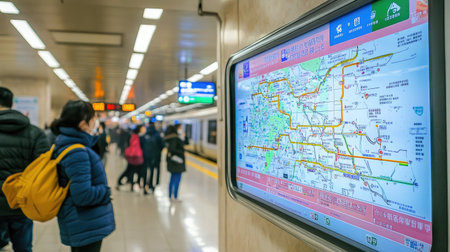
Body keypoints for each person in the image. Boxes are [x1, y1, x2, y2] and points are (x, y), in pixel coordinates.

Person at [51, 100, 115, 252]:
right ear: (82, 124)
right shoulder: (77, 152)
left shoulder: (70, 145)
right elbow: (82, 195)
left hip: (81, 222)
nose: (95, 121)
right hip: (85, 223)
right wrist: (105, 192)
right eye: (93, 118)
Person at [0, 87, 50, 252]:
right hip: (21, 203)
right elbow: (43, 171)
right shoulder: (35, 133)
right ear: (12, 103)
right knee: (24, 248)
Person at [164, 125, 186, 201]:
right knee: (176, 179)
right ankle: (175, 196)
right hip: (177, 162)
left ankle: (171, 196)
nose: (181, 129)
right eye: (180, 128)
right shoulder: (175, 139)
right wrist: (182, 152)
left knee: (172, 179)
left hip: (173, 162)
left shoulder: (170, 138)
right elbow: (173, 149)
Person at [143, 122, 165, 194]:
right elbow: (162, 145)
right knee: (153, 171)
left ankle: (145, 186)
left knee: (146, 171)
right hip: (155, 157)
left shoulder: (145, 134)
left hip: (146, 156)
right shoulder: (157, 134)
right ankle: (152, 185)